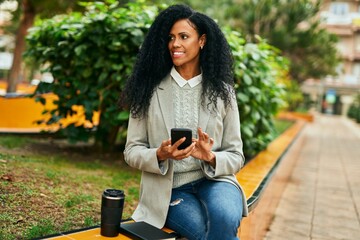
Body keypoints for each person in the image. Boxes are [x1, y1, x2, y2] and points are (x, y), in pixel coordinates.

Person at [121, 4, 248, 240]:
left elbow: (236, 155)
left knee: (226, 217)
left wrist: (210, 157)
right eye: (170, 38)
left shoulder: (224, 93)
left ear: (201, 41)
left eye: (183, 37)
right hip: (170, 189)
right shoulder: (148, 90)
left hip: (215, 181)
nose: (174, 44)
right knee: (206, 233)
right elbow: (131, 151)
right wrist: (160, 154)